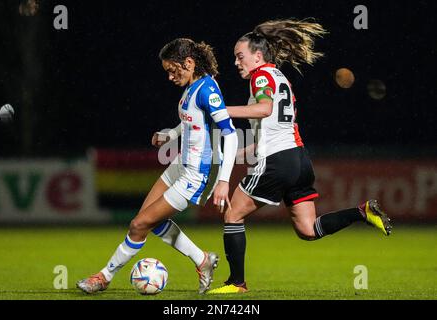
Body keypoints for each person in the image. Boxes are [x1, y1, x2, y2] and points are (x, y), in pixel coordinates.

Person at [207, 19, 392, 294]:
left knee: (233, 214)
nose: (236, 62)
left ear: (258, 56)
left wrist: (221, 111)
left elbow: (264, 109)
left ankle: (237, 283)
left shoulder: (261, 75)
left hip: (278, 160)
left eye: (239, 56)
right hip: (299, 160)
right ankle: (361, 212)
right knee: (308, 229)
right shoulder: (281, 78)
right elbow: (269, 133)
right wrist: (230, 156)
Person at [77, 38, 238, 294]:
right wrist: (171, 136)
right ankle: (202, 259)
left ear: (188, 63)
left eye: (173, 70)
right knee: (146, 221)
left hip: (197, 173)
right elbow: (191, 123)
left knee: (138, 225)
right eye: (167, 72)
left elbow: (230, 134)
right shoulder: (192, 87)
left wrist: (224, 181)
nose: (170, 77)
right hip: (179, 164)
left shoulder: (208, 90)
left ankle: (103, 278)